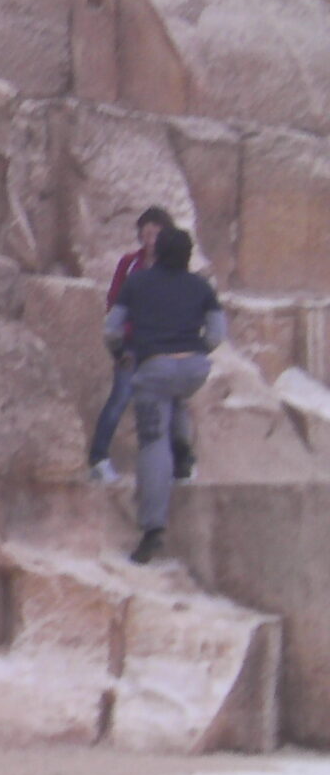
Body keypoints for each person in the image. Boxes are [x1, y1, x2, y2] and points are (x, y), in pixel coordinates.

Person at [106, 224, 226, 564]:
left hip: (154, 368)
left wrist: (121, 354)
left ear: (157, 251)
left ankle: (152, 530)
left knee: (153, 443)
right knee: (176, 397)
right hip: (192, 369)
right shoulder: (201, 286)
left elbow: (111, 328)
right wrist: (196, 350)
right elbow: (217, 333)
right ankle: (184, 448)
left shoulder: (138, 282)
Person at [87, 206, 175, 484]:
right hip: (130, 345)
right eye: (146, 231)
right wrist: (118, 342)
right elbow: (114, 301)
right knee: (120, 398)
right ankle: (98, 459)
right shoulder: (128, 264)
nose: (150, 237)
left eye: (156, 232)